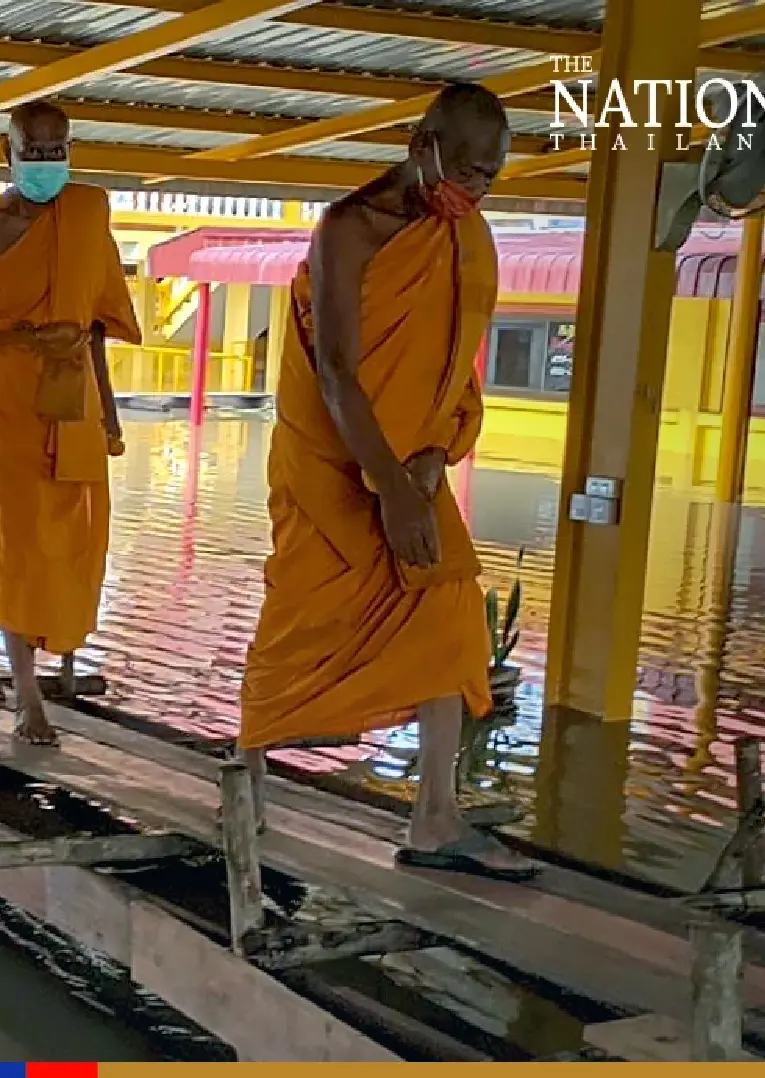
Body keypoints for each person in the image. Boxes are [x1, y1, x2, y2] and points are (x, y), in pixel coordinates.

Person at [238, 83, 536, 881]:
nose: (471, 189)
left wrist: (433, 460)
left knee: (449, 612)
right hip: (337, 462)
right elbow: (336, 371)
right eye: (464, 168)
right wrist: (390, 489)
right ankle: (248, 783)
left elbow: (452, 365)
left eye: (489, 178)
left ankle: (435, 817)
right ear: (421, 142)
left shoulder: (466, 237)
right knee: (301, 614)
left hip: (414, 461)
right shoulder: (348, 229)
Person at [0, 100, 140, 747]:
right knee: (21, 542)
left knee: (66, 546)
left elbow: (97, 326)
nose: (48, 162)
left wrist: (108, 412)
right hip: (2, 397)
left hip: (71, 390)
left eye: (59, 149)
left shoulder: (87, 215)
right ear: (8, 154)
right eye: (35, 150)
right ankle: (28, 697)